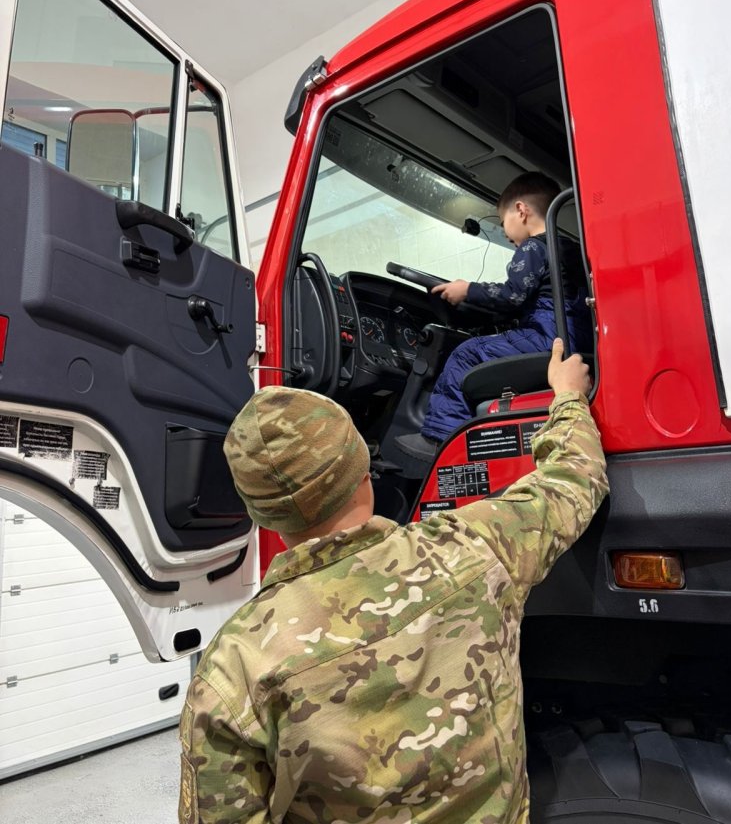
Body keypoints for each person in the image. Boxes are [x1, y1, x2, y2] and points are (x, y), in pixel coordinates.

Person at [179, 341, 607, 824]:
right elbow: (574, 479)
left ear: (260, 515)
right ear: (363, 471)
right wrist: (568, 396)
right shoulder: (474, 547)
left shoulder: (234, 668)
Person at [395, 171, 592, 462]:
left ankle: (439, 439)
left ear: (521, 211)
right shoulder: (572, 248)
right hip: (576, 338)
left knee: (465, 353)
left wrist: (467, 289)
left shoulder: (533, 248)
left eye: (503, 222)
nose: (505, 232)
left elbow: (512, 296)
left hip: (547, 338)